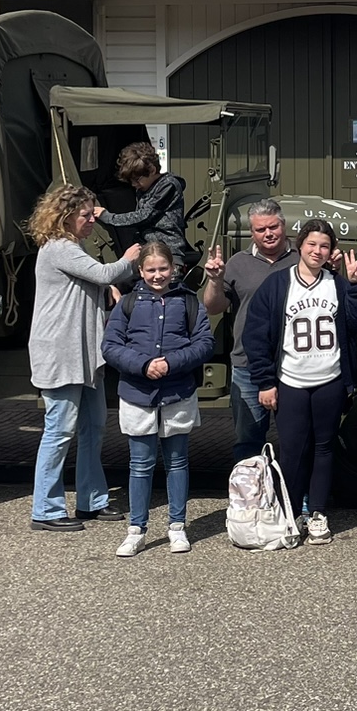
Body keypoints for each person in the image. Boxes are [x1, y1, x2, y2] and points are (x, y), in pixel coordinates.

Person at [241, 217, 357, 542]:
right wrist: (265, 381)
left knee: (325, 448)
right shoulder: (277, 285)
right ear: (299, 246)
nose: (317, 251)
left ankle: (317, 513)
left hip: (329, 380)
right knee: (293, 451)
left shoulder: (338, 284)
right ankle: (291, 513)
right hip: (291, 381)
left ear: (331, 252)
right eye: (312, 244)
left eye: (324, 246)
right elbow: (256, 336)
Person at [25, 184, 142, 532]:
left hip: (86, 353)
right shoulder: (59, 247)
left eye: (93, 214)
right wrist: (130, 258)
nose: (92, 219)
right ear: (65, 217)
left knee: (94, 428)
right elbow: (103, 273)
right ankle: (45, 509)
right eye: (85, 215)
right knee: (59, 430)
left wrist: (107, 288)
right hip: (61, 352)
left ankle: (92, 501)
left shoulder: (75, 247)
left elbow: (94, 282)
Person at [101, 238, 216, 557]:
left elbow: (205, 342)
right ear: (140, 271)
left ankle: (177, 527)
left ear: (174, 269)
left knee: (177, 461)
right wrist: (143, 365)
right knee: (140, 464)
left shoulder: (190, 301)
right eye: (150, 269)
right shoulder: (126, 303)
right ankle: (136, 529)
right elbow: (110, 346)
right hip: (137, 393)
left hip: (178, 391)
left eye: (163, 268)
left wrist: (172, 363)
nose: (157, 275)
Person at [202, 199, 297, 464]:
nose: (268, 233)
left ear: (283, 225)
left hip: (294, 362)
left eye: (273, 227)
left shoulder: (302, 259)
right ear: (251, 232)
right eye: (260, 229)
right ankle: (250, 499)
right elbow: (213, 307)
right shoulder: (237, 263)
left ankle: (298, 500)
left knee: (297, 438)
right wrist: (215, 280)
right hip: (248, 364)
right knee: (248, 440)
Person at [99, 141, 195, 271]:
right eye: (131, 181)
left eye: (137, 180)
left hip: (167, 252)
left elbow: (144, 215)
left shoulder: (168, 186)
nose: (134, 185)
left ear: (152, 170)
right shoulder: (143, 188)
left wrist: (108, 217)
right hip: (147, 250)